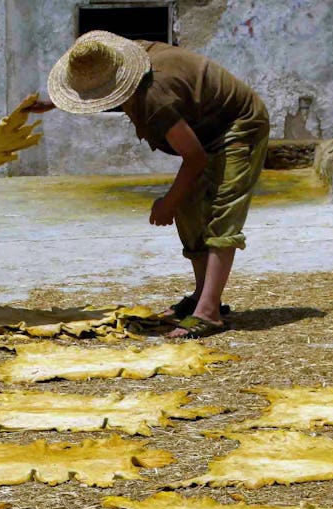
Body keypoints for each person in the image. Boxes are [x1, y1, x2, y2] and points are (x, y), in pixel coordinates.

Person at [28, 30, 270, 338]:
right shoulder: (128, 60)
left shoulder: (154, 96)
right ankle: (203, 297)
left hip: (238, 125)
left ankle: (209, 314)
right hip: (205, 125)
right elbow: (107, 85)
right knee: (189, 207)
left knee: (222, 213)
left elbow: (194, 158)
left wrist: (167, 202)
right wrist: (56, 103)